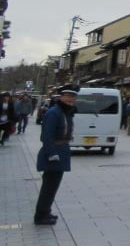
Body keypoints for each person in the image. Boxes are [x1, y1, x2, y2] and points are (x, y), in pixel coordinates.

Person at [34, 84, 78, 225]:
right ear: (61, 96)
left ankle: (46, 211)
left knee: (52, 187)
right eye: (68, 96)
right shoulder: (54, 112)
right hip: (53, 153)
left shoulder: (65, 112)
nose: (71, 99)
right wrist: (52, 154)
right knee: (49, 187)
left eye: (73, 97)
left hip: (61, 152)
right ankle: (40, 216)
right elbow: (46, 136)